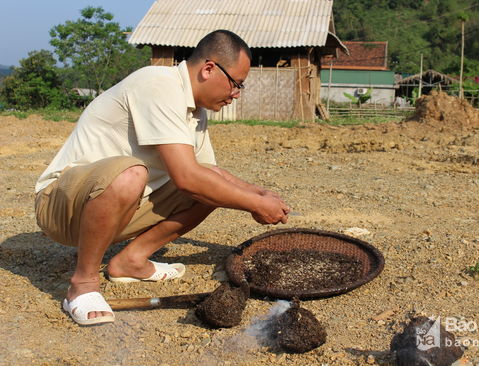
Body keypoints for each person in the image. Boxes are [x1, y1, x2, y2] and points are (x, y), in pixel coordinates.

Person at [34, 30, 290, 326]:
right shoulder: (158, 83)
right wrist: (252, 205)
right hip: (61, 205)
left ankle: (131, 261)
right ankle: (82, 285)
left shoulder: (195, 111)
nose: (236, 94)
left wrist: (259, 195)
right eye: (236, 84)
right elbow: (186, 178)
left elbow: (210, 175)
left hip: (114, 205)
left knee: (214, 187)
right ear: (209, 69)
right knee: (132, 175)